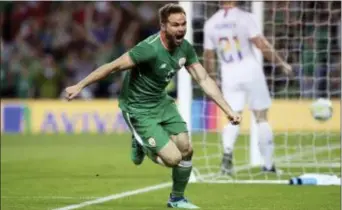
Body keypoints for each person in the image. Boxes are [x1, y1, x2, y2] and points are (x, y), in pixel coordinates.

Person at [65, 3, 241, 209]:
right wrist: (80, 85)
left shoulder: (185, 48)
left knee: (186, 148)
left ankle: (176, 199)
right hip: (138, 108)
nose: (181, 29)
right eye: (175, 25)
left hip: (161, 101)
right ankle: (140, 143)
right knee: (173, 159)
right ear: (163, 26)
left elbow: (203, 80)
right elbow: (112, 67)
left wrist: (228, 110)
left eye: (183, 24)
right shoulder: (148, 49)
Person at [202, 1, 292, 175]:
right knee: (261, 117)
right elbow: (261, 44)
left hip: (229, 74)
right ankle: (268, 165)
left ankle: (227, 156)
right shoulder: (245, 17)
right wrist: (281, 63)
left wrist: (212, 79)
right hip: (250, 71)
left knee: (233, 116)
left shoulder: (211, 23)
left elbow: (208, 55)